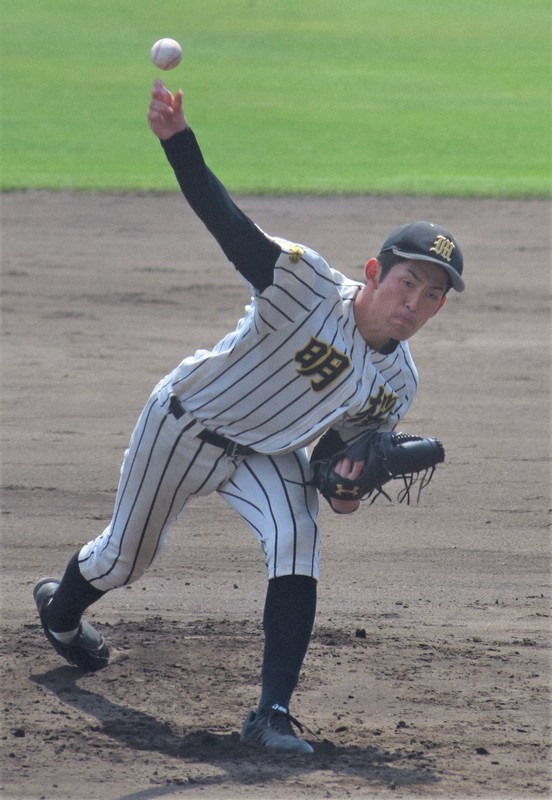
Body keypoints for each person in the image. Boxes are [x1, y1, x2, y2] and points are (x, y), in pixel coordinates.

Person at [33, 79, 465, 755]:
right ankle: (60, 612)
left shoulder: (396, 382)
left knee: (300, 536)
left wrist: (346, 482)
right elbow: (227, 223)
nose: (414, 301)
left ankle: (272, 715)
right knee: (124, 559)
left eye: (431, 294)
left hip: (265, 452)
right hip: (184, 424)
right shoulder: (307, 282)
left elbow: (330, 469)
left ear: (439, 309)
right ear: (375, 272)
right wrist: (178, 141)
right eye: (407, 281)